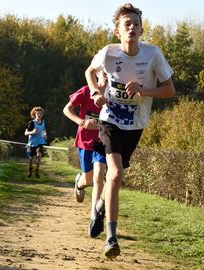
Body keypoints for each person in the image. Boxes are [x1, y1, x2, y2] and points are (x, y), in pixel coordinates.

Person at [85, 3, 175, 259]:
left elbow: (170, 90)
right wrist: (94, 91)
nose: (132, 28)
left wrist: (144, 90)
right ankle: (111, 237)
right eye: (127, 24)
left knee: (117, 176)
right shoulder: (108, 53)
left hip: (136, 124)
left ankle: (101, 205)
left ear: (142, 29)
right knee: (114, 173)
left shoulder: (153, 55)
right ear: (117, 31)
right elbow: (90, 71)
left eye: (136, 24)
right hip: (110, 120)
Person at [63, 71, 107, 238]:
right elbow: (66, 110)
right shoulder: (85, 91)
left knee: (99, 176)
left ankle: (94, 217)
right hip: (84, 141)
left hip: (102, 141)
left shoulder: (113, 95)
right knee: (88, 179)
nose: (107, 78)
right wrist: (82, 122)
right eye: (104, 74)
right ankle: (79, 183)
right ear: (97, 75)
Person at [24, 106, 47, 178]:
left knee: (39, 155)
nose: (39, 115)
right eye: (38, 113)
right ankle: (30, 170)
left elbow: (43, 130)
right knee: (31, 158)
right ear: (34, 114)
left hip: (40, 142)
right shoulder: (31, 123)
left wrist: (45, 135)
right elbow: (25, 133)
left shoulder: (43, 122)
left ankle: (37, 170)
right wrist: (32, 132)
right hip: (31, 143)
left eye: (40, 113)